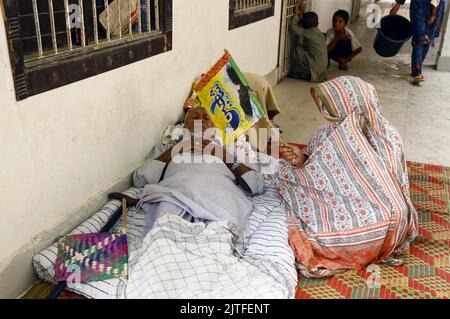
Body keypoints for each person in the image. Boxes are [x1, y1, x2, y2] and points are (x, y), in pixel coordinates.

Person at [272, 76, 418, 277]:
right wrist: (302, 158)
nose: (325, 112)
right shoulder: (335, 130)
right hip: (373, 212)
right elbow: (320, 163)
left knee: (283, 184)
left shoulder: (382, 136)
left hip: (377, 213)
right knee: (281, 172)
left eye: (329, 106)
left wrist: (305, 167)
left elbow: (383, 184)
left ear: (348, 103)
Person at [120, 106, 265, 237]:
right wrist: (178, 149)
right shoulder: (169, 146)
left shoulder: (229, 148)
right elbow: (140, 179)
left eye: (206, 118)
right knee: (163, 231)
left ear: (214, 127)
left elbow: (256, 184)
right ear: (183, 126)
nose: (200, 121)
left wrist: (223, 154)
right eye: (194, 117)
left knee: (219, 233)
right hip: (176, 194)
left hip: (219, 196)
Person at [390, 0, 444, 84]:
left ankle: (416, 67)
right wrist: (397, 6)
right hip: (419, 6)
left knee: (427, 39)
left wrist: (433, 15)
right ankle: (417, 73)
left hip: (436, 7)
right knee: (420, 38)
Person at [288, 1, 328, 82]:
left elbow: (292, 27)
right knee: (304, 48)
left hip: (315, 66)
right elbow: (308, 22)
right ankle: (307, 72)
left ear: (304, 25)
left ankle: (300, 71)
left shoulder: (308, 32)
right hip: (323, 67)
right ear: (317, 23)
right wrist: (303, 10)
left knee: (297, 46)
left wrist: (296, 13)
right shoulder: (319, 32)